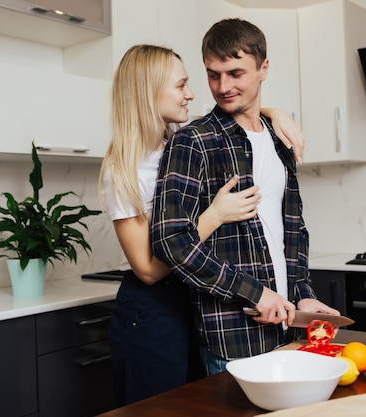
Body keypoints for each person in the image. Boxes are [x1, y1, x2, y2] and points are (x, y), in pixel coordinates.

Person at [99, 44, 305, 406]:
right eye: (180, 86)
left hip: (195, 299)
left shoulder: (179, 143)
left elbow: (232, 114)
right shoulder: (124, 169)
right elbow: (148, 270)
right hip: (152, 310)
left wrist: (274, 112)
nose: (191, 94)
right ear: (149, 92)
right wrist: (214, 216)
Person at [151, 18, 340, 377]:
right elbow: (170, 240)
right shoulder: (193, 141)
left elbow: (291, 231)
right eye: (213, 74)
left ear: (263, 68)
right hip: (234, 339)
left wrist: (303, 294)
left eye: (235, 73)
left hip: (289, 327)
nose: (223, 87)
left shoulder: (280, 140)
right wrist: (254, 293)